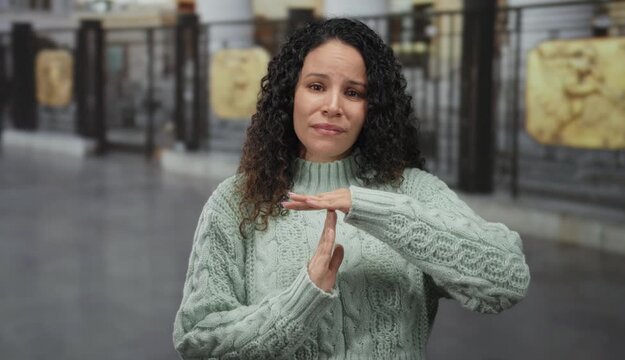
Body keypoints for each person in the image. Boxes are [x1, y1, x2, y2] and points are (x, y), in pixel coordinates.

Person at [173, 18, 530, 359]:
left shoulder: (411, 191)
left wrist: (378, 209)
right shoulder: (237, 201)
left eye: (354, 93)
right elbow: (198, 340)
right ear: (289, 95)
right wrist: (303, 299)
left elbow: (508, 280)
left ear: (372, 110)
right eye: (316, 86)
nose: (332, 107)